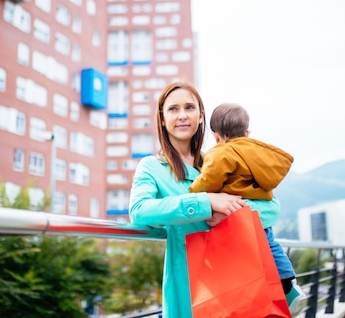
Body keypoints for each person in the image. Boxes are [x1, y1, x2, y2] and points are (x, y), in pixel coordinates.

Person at [129, 81, 283, 318]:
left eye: (189, 107)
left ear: (201, 117)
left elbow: (271, 207)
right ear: (162, 118)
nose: (182, 115)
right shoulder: (152, 167)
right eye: (173, 109)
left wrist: (230, 209)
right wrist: (206, 203)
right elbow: (139, 212)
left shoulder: (221, 159)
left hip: (238, 281)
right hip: (189, 285)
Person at [189, 102, 307, 315]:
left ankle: (256, 301)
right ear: (247, 132)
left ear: (215, 135)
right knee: (271, 247)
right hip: (259, 213)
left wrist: (194, 190)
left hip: (238, 215)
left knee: (243, 262)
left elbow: (209, 180)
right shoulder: (256, 153)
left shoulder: (221, 153)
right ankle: (289, 286)